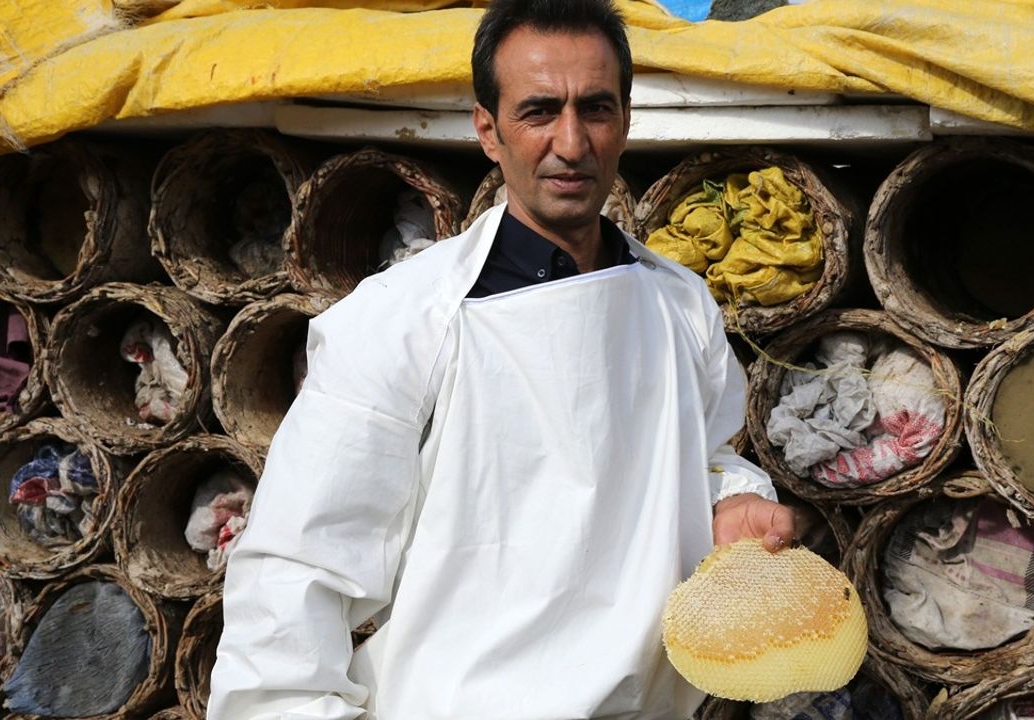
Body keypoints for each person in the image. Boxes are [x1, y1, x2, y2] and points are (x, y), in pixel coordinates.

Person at [207, 1, 794, 717]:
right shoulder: (402, 321)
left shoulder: (679, 305)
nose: (572, 143)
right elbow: (296, 570)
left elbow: (699, 457)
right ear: (488, 129)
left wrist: (734, 501)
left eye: (596, 109)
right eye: (539, 111)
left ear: (627, 119)